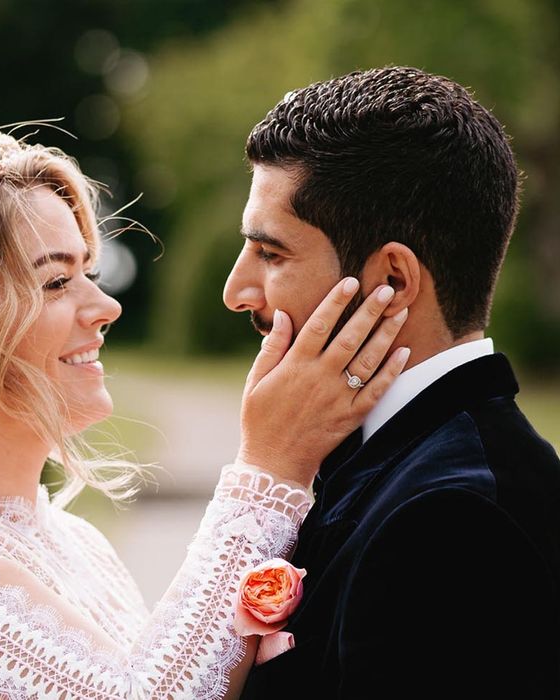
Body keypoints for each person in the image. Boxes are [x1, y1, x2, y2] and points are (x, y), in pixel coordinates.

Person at [0, 127, 409, 699]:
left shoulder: (78, 543)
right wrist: (269, 466)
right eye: (55, 283)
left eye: (88, 272)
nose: (106, 306)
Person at [223, 66, 560, 699]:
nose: (236, 292)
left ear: (394, 283)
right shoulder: (375, 456)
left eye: (271, 254)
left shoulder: (454, 523)